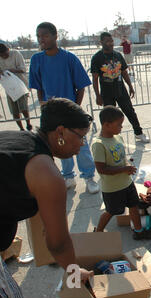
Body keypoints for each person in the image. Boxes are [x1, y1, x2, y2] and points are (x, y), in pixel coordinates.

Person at [0, 98, 95, 298]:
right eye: (81, 137)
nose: (82, 144)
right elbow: (58, 242)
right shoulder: (47, 174)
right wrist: (74, 273)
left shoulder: (20, 141)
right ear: (60, 132)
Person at [29, 22, 99, 194]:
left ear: (55, 36)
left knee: (80, 144)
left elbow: (81, 86)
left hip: (70, 111)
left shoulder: (69, 58)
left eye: (45, 35)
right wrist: (43, 105)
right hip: (50, 113)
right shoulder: (36, 60)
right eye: (38, 36)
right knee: (57, 144)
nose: (41, 39)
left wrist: (75, 107)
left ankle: (89, 176)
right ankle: (67, 175)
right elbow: (38, 88)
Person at [92, 106, 151, 240]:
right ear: (106, 125)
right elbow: (101, 169)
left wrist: (128, 165)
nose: (121, 128)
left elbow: (122, 159)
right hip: (113, 188)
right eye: (119, 125)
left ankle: (139, 231)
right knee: (112, 211)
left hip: (127, 183)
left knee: (134, 206)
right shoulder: (99, 144)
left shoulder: (118, 138)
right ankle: (97, 232)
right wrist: (124, 169)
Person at [91, 32, 149, 144]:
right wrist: (98, 95)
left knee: (130, 112)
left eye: (111, 41)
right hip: (107, 92)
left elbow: (124, 72)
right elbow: (95, 79)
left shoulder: (118, 55)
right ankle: (111, 137)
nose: (110, 43)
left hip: (120, 89)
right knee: (109, 116)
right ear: (101, 42)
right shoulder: (97, 58)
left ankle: (138, 133)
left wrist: (130, 86)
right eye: (107, 41)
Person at [0, 44, 32, 131]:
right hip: (9, 88)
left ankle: (29, 125)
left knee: (23, 107)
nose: (4, 56)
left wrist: (11, 70)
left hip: (21, 85)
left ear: (8, 50)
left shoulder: (16, 54)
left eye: (5, 54)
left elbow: (23, 69)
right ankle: (21, 129)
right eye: (1, 55)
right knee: (14, 110)